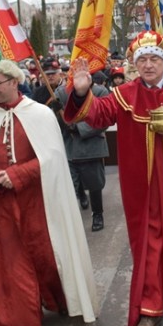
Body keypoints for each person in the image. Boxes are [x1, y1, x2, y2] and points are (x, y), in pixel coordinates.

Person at [65, 31, 163, 326]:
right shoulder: (123, 95)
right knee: (150, 243)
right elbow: (98, 115)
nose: (148, 65)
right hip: (143, 187)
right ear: (134, 64)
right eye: (142, 60)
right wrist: (82, 92)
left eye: (153, 59)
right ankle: (150, 307)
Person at [0, 49, 96, 326]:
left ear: (14, 81)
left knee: (47, 254)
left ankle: (58, 297)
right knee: (7, 264)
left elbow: (52, 158)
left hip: (38, 198)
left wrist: (21, 174)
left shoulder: (40, 114)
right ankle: (7, 325)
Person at [55, 78, 109, 232]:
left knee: (94, 183)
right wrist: (57, 113)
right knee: (70, 184)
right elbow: (55, 120)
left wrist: (78, 128)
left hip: (91, 146)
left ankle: (98, 214)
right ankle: (73, 214)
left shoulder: (100, 92)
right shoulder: (61, 92)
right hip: (68, 147)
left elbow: (105, 118)